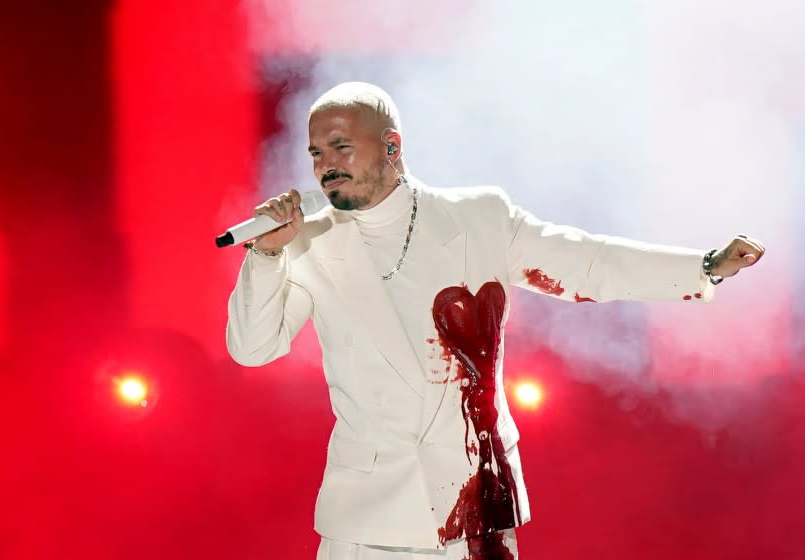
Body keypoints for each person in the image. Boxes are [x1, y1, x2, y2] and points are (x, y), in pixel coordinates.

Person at [225, 82, 764, 560]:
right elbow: (252, 348)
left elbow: (586, 262)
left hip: (473, 501)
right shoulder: (308, 243)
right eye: (316, 151)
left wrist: (704, 268)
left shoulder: (477, 217)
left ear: (392, 146)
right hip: (368, 517)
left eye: (342, 146)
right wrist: (266, 256)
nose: (325, 164)